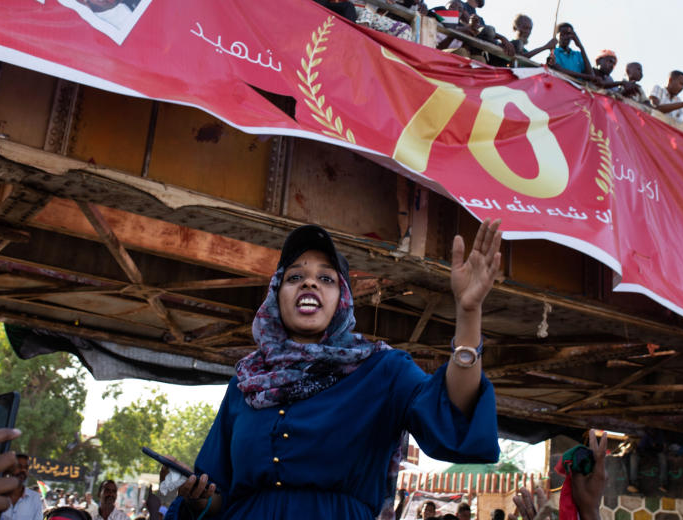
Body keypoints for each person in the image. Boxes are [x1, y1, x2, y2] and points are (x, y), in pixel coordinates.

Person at [167, 221, 501, 519]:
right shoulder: (246, 384)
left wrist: (468, 312)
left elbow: (454, 415)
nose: (309, 284)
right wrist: (200, 502)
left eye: (325, 278)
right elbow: (219, 499)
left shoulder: (382, 371)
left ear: (343, 300)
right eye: (294, 277)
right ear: (275, 296)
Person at [0, 454, 44, 520]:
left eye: (26, 468)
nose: (23, 470)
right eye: (19, 466)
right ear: (10, 468)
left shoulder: (34, 498)